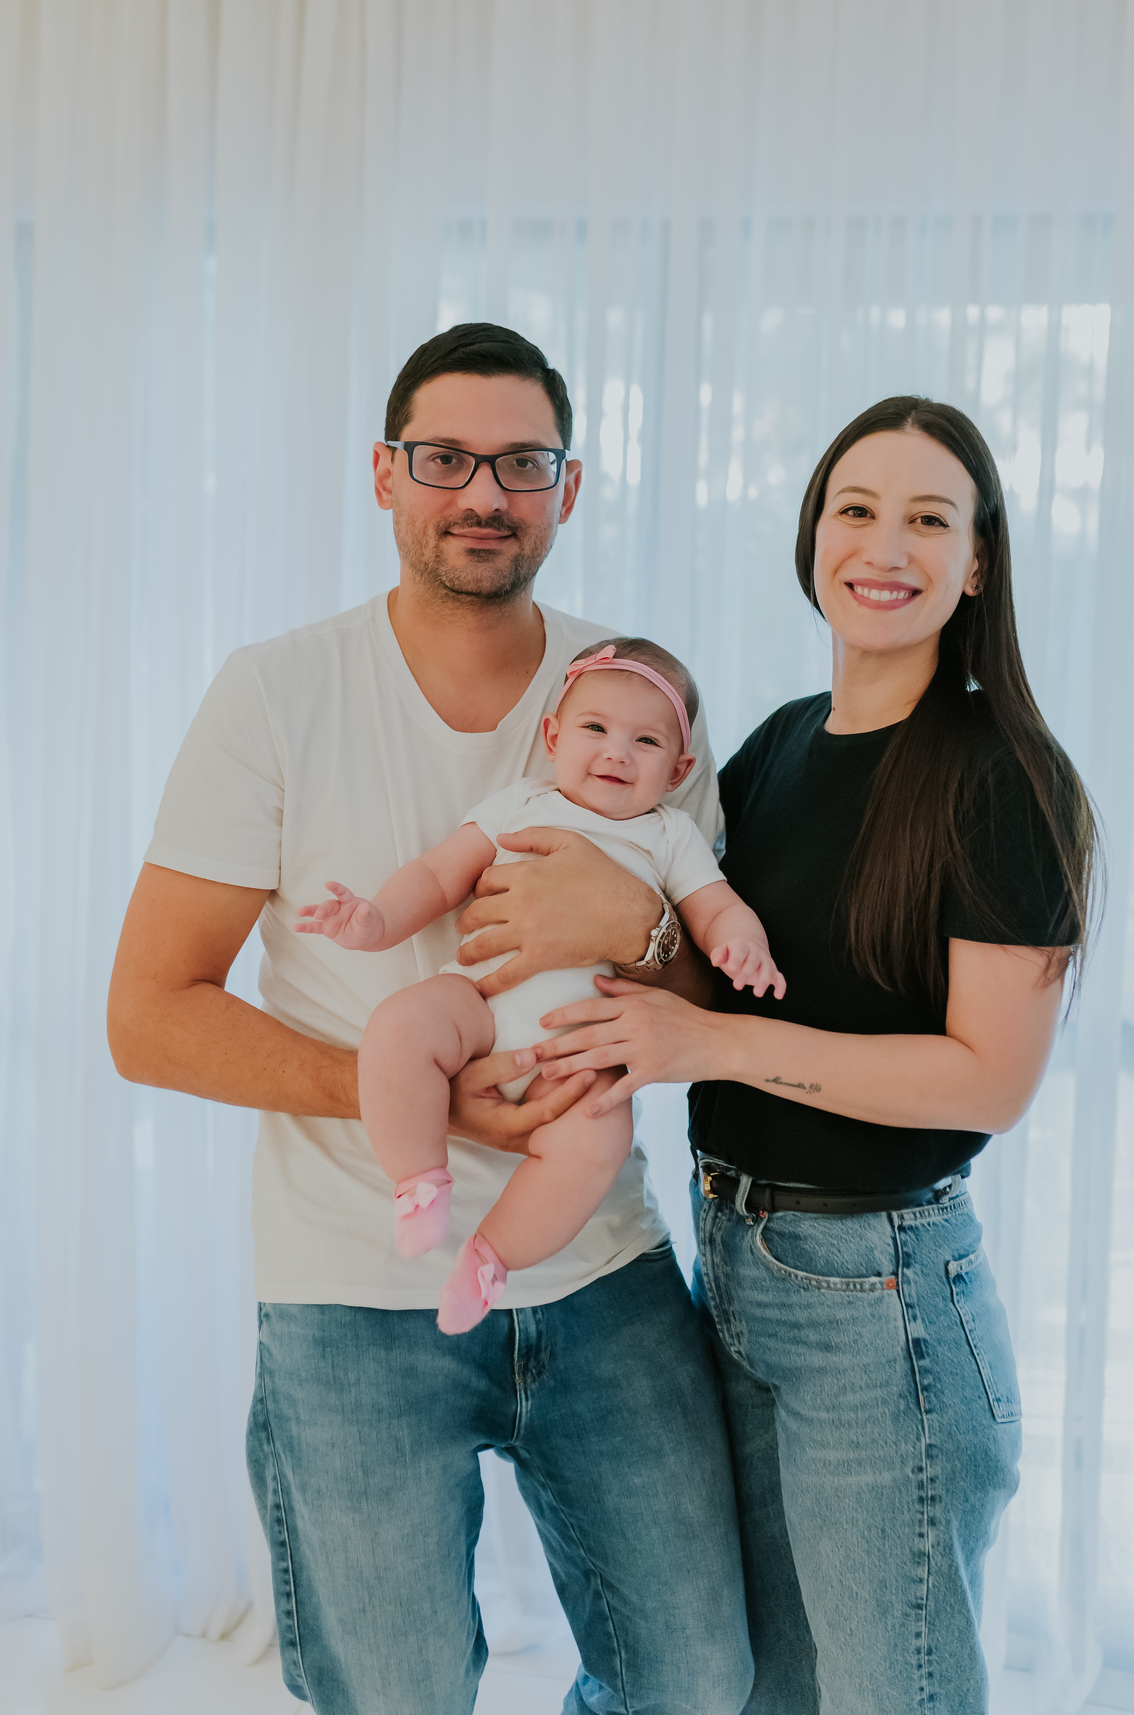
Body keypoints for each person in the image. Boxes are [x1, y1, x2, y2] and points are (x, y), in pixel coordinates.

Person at [107, 323, 753, 1715]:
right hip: (353, 1290)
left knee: (699, 1683)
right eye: (445, 458)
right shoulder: (278, 692)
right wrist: (418, 1099)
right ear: (386, 478)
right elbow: (150, 1016)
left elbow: (717, 981)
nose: (482, 493)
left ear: (567, 490)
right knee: (391, 1696)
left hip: (601, 1264)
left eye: (521, 462)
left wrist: (628, 932)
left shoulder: (636, 695)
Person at [527, 396, 1102, 1714]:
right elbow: (704, 956)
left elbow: (989, 1081)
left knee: (892, 1692)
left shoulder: (1004, 776)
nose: (882, 544)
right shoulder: (783, 742)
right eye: (856, 507)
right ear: (812, 532)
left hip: (880, 1295)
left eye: (927, 517)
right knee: (771, 1688)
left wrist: (708, 1036)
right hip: (735, 1257)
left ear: (978, 561)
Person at [295, 636, 784, 1332]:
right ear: (553, 736)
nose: (616, 752)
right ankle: (418, 1180)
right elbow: (439, 875)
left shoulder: (670, 836)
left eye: (646, 741)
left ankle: (492, 1257)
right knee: (400, 1027)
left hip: (581, 1053)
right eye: (595, 729)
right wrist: (374, 920)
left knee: (595, 1144)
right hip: (479, 1004)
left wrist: (743, 946)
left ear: (677, 770)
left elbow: (717, 908)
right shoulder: (523, 803)